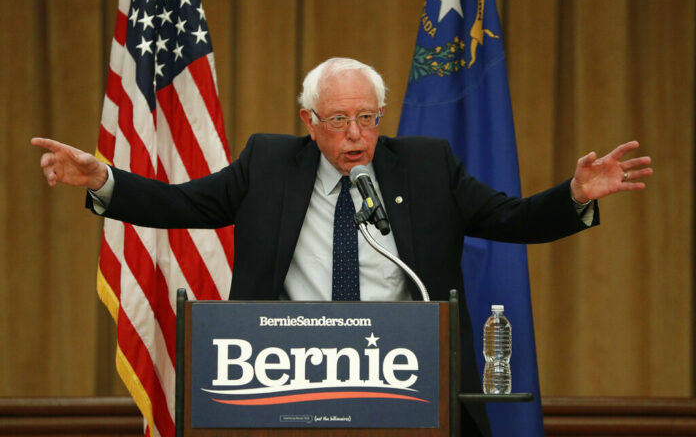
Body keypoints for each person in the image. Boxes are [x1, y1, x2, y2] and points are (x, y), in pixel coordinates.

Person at [32, 57, 652, 436]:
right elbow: (183, 204)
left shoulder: (427, 166)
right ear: (308, 119)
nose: (356, 136)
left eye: (368, 118)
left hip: (406, 385)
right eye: (338, 120)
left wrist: (573, 194)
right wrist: (105, 181)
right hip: (287, 387)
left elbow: (511, 219)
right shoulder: (267, 164)